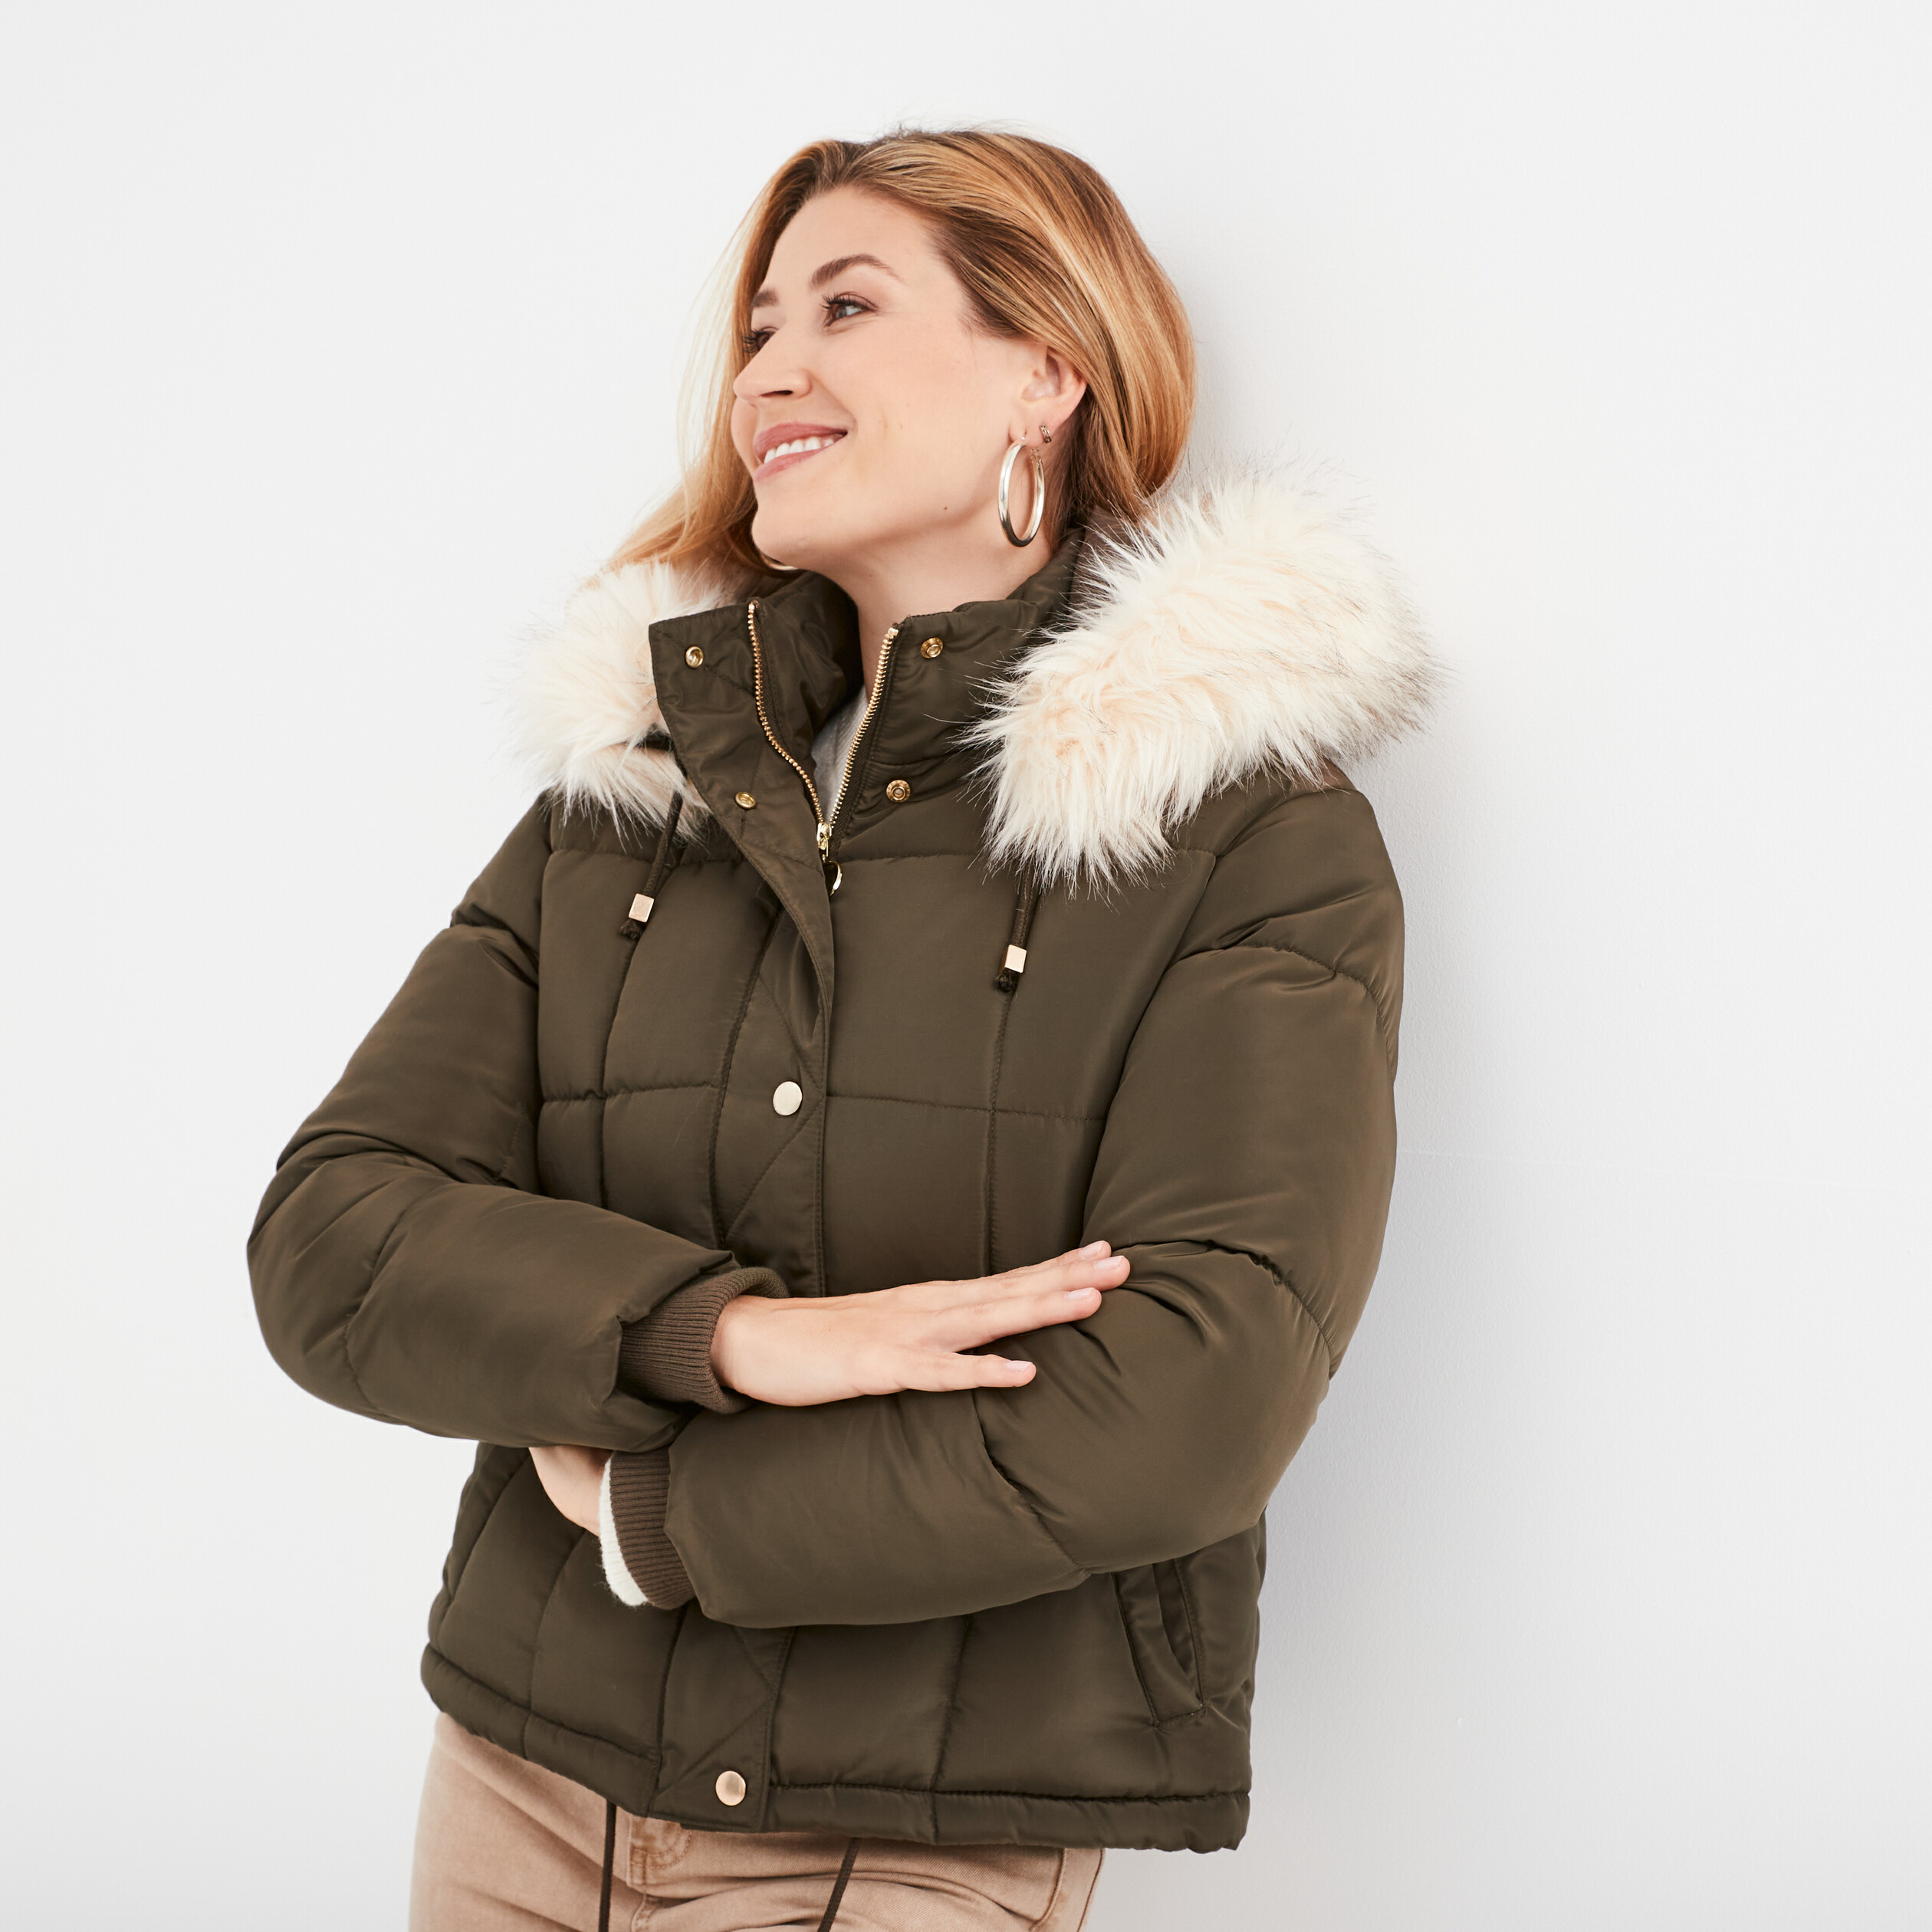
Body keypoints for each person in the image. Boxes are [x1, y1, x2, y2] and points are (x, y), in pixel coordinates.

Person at [249, 127, 1435, 1932]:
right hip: (521, 1781)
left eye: (847, 308)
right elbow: (333, 1238)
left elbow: (1189, 1395)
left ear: (1047, 373)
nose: (767, 374)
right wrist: (723, 1337)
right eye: (758, 328)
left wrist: (659, 1517)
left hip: (914, 1830)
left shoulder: (1239, 830)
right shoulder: (637, 789)